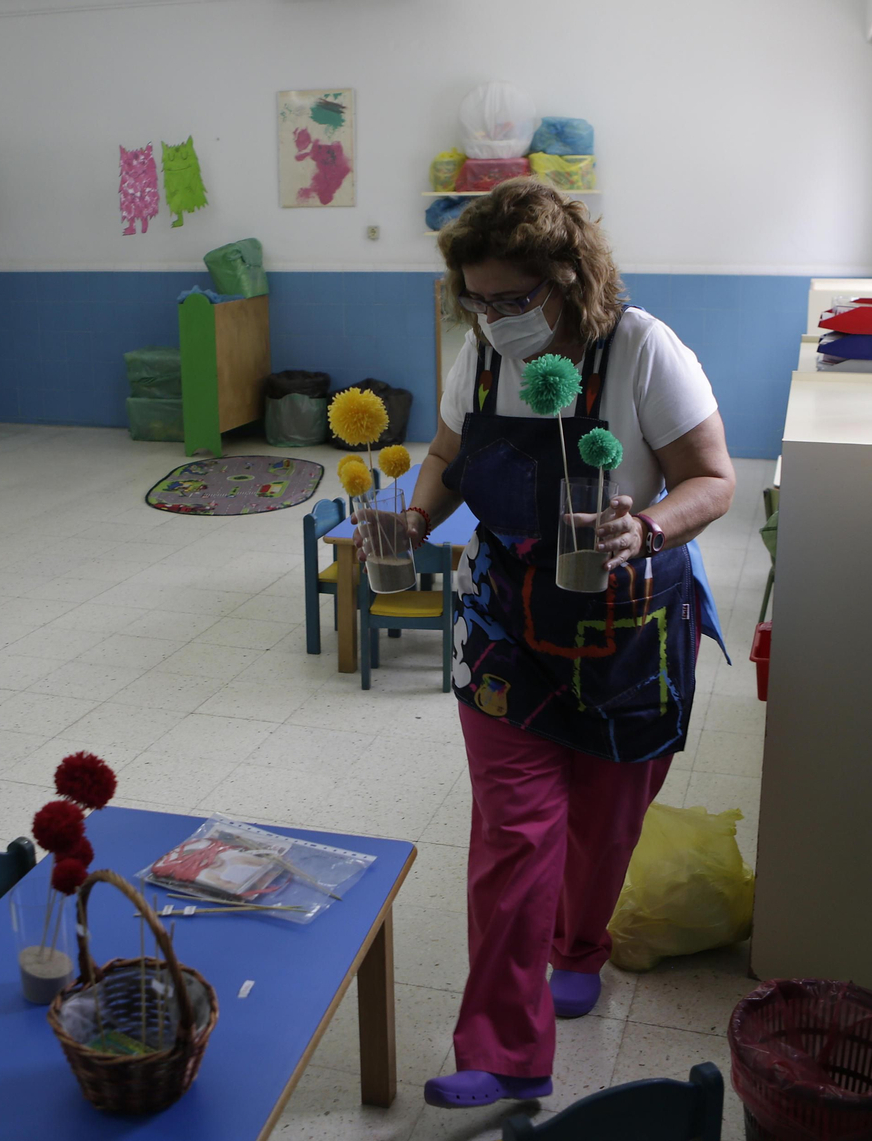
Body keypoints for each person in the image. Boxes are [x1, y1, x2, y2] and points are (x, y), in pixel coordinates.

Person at [360, 180, 735, 1107]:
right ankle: (505, 1051)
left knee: (603, 828)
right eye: (477, 302)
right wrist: (415, 518)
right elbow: (446, 457)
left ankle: (579, 946)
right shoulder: (482, 355)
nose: (494, 319)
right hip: (506, 628)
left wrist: (646, 526)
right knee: (515, 836)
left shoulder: (641, 348)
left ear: (568, 277)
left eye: (513, 298)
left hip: (628, 632)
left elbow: (712, 478)